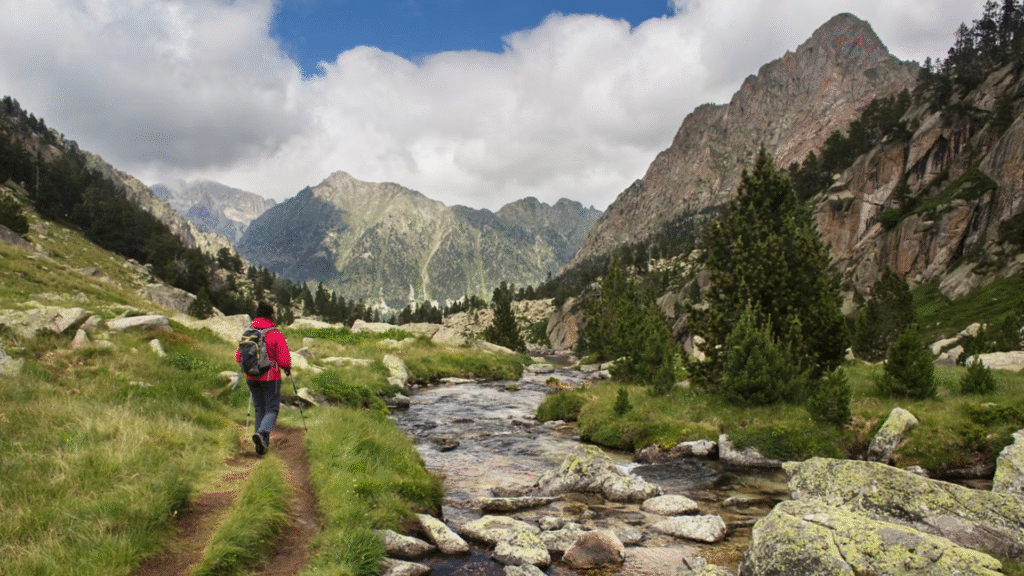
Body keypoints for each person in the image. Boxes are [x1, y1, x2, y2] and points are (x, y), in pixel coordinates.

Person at [235, 301, 292, 455]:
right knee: (272, 408)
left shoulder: (248, 332)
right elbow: (284, 361)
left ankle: (261, 444)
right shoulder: (275, 334)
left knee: (259, 408)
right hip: (270, 377)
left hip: (251, 377)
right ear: (271, 315)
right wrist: (287, 369)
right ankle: (262, 434)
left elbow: (239, 357)